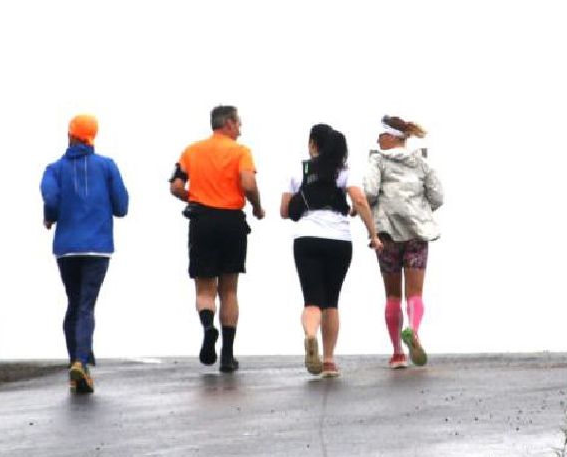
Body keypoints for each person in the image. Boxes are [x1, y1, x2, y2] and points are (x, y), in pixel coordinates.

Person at [282, 123, 382, 379]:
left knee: (312, 300)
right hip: (339, 240)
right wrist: (373, 234)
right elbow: (359, 201)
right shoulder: (343, 170)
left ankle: (310, 335)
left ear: (314, 144)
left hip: (306, 238)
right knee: (332, 301)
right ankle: (328, 361)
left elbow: (284, 211)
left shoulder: (298, 169)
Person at [170, 104, 265, 373]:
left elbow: (176, 186)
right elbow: (248, 184)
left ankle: (207, 326)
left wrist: (194, 196)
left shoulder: (192, 151)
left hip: (202, 221)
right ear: (230, 124)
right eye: (239, 124)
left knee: (204, 289)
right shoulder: (241, 152)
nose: (241, 129)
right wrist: (257, 207)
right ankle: (228, 354)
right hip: (231, 222)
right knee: (229, 290)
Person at [41, 113, 129, 394]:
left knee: (74, 301)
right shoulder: (107, 167)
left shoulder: (54, 170)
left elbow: (51, 198)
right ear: (93, 137)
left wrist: (50, 216)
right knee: (86, 304)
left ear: (69, 135)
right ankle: (81, 360)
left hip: (66, 248)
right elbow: (122, 206)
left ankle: (75, 361)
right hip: (97, 246)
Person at [362, 115, 444, 369]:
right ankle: (413, 330)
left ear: (389, 137)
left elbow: (369, 191)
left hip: (386, 234)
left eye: (380, 135)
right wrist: (418, 209)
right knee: (415, 293)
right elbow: (438, 196)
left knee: (392, 295)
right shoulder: (421, 162)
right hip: (417, 233)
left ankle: (398, 353)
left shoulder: (377, 160)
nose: (377, 140)